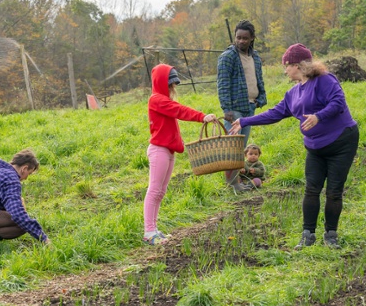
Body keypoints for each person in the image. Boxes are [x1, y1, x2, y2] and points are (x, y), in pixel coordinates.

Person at [230, 43, 359, 249]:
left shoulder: (325, 80)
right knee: (311, 188)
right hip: (315, 148)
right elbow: (275, 113)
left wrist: (318, 116)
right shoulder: (293, 93)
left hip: (341, 142)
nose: (285, 70)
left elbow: (338, 102)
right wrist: (245, 121)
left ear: (298, 65)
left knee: (334, 190)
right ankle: (308, 235)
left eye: (287, 65)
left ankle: (331, 235)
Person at [143, 64, 217, 245]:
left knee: (161, 191)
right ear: (160, 82)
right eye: (170, 84)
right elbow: (179, 110)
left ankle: (154, 230)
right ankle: (149, 232)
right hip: (159, 150)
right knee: (154, 190)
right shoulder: (156, 100)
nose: (172, 88)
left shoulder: (163, 99)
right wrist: (201, 116)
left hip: (169, 151)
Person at [217, 20, 267, 191]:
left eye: (245, 38)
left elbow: (258, 78)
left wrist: (262, 97)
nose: (241, 41)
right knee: (233, 147)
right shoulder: (228, 57)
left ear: (252, 38)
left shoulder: (255, 57)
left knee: (242, 146)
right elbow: (223, 84)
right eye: (238, 37)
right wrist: (226, 110)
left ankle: (239, 180)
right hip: (235, 109)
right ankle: (233, 185)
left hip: (250, 107)